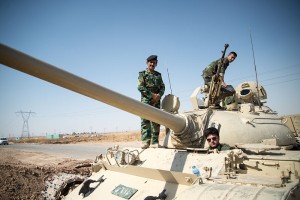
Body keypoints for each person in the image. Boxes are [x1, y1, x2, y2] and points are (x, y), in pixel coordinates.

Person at [138, 55, 165, 148]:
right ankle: (146, 141)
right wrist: (152, 95)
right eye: (151, 62)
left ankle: (154, 142)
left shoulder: (158, 75)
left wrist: (158, 95)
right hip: (146, 100)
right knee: (145, 121)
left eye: (154, 62)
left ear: (156, 63)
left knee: (156, 121)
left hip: (156, 101)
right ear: (147, 62)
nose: (152, 64)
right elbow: (140, 87)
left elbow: (162, 87)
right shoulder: (142, 74)